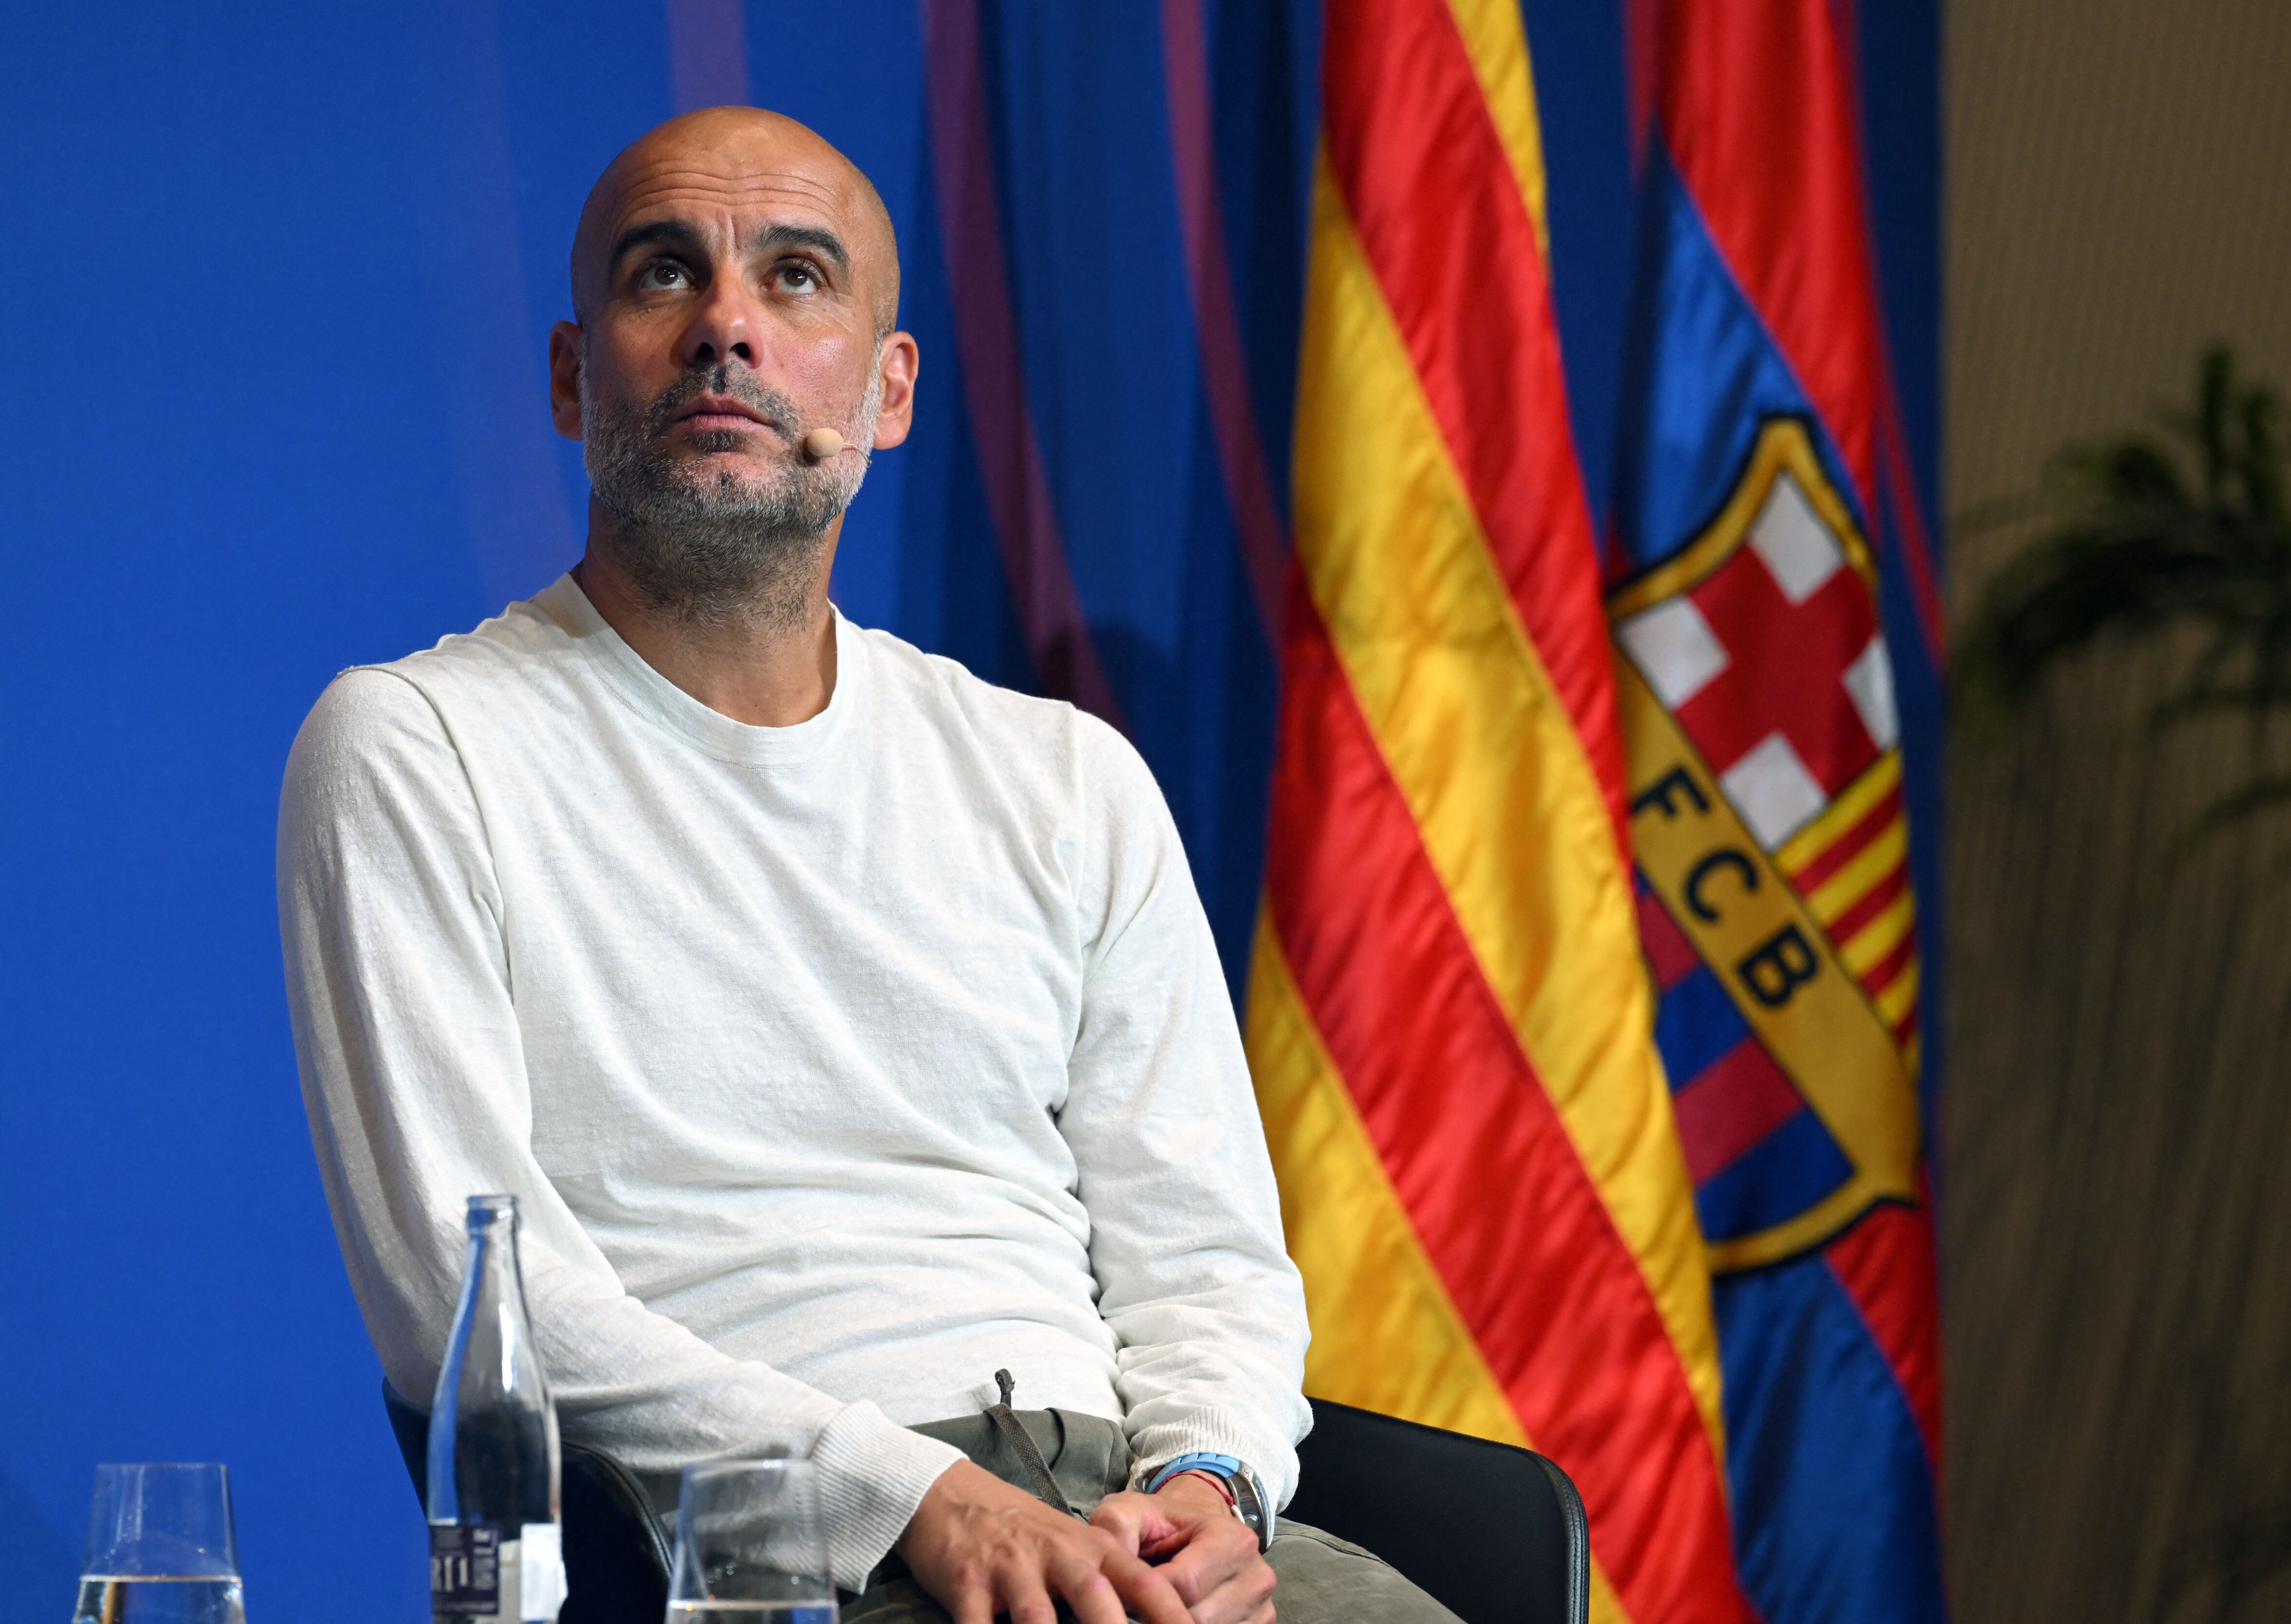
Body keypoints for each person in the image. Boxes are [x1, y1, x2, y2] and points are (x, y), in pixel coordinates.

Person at [277, 107, 1455, 1624]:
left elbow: (1208, 1261)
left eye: (798, 277)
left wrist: (1214, 1490)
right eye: (662, 276)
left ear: (890, 392)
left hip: (1139, 1524)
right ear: (573, 380)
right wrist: (913, 1499)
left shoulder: (1065, 776)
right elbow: (473, 1303)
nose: (727, 329)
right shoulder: (416, 748)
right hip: (756, 1550)